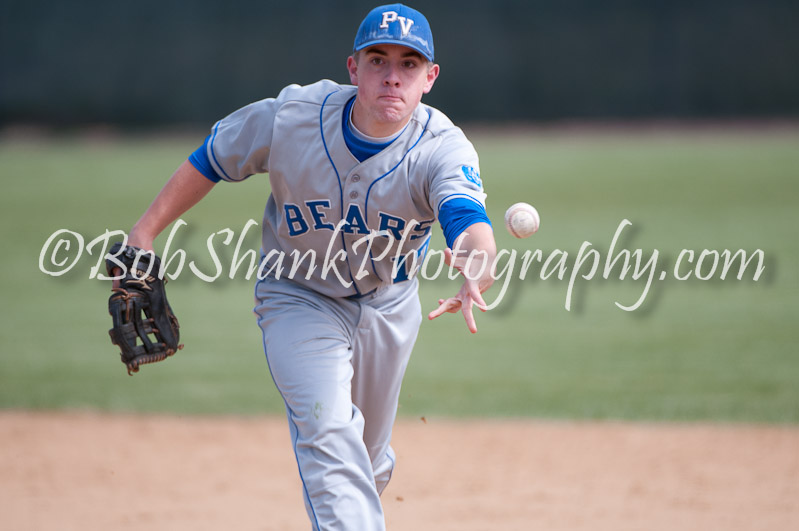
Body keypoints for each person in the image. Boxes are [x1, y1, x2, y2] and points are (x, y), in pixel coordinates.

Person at [120, 4, 497, 529]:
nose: (392, 75)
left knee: (365, 460)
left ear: (429, 77)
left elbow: (468, 219)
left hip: (389, 304)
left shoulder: (440, 148)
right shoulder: (293, 118)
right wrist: (144, 231)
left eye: (409, 64)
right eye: (378, 60)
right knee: (329, 440)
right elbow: (214, 156)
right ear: (353, 68)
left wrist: (476, 262)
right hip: (298, 295)